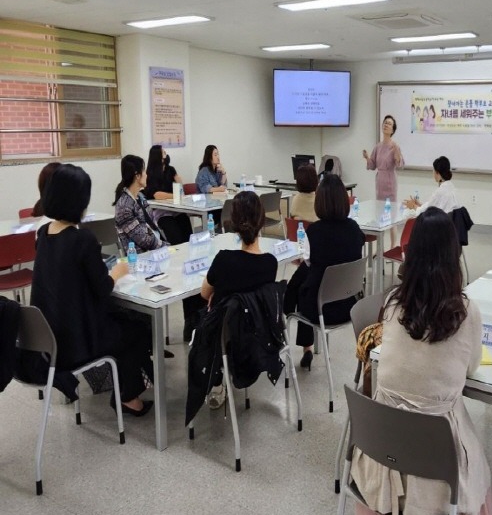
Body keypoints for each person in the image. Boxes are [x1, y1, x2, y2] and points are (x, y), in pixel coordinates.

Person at [350, 207, 492, 515]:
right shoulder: (466, 312)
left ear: (410, 253)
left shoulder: (391, 305)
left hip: (380, 460)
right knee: (480, 466)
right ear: (455, 257)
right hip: (440, 476)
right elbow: (469, 370)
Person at [31, 164, 153, 416]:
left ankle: (124, 385)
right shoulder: (81, 239)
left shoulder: (44, 235)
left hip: (51, 336)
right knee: (137, 327)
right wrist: (118, 272)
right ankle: (129, 396)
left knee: (126, 323)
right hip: (77, 340)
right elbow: (102, 288)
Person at [200, 191, 278, 408]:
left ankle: (215, 380)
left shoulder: (224, 260)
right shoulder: (270, 264)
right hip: (258, 333)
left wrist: (220, 293)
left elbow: (204, 293)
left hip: (226, 335)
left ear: (233, 223)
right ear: (262, 221)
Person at [115, 155, 202, 341]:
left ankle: (193, 324)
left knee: (193, 272)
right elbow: (143, 239)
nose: (146, 174)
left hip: (155, 253)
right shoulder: (124, 205)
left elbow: (153, 229)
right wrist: (167, 247)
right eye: (144, 171)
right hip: (141, 260)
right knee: (184, 268)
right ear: (137, 176)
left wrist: (167, 246)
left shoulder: (140, 197)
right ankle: (191, 325)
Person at [283, 174, 365, 369]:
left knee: (301, 285)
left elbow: (309, 265)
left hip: (321, 309)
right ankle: (307, 346)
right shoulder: (355, 229)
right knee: (305, 282)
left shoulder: (315, 232)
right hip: (350, 306)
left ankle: (303, 342)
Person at [362, 114, 404, 247]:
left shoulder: (395, 146)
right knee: (380, 215)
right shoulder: (378, 146)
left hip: (390, 182)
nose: (386, 125)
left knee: (391, 216)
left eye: (389, 124)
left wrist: (397, 153)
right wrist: (367, 158)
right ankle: (380, 249)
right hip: (380, 182)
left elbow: (399, 164)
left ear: (393, 130)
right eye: (385, 123)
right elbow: (373, 165)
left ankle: (392, 246)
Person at [143, 144, 193, 244]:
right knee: (176, 237)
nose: (165, 152)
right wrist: (175, 195)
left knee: (188, 232)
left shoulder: (170, 169)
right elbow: (157, 195)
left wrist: (178, 181)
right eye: (163, 151)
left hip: (176, 209)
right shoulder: (150, 173)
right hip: (162, 211)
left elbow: (180, 186)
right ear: (157, 155)